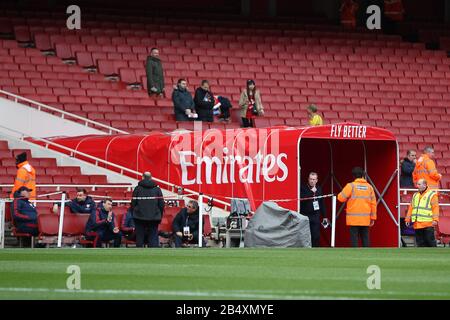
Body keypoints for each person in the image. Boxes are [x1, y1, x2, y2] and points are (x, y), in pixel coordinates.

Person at [337, 167, 377, 247]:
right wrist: (373, 218)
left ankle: (355, 256)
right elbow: (373, 204)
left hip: (353, 219)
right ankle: (367, 256)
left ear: (353, 176)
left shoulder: (350, 186)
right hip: (365, 219)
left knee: (354, 239)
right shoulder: (369, 187)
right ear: (363, 175)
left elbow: (340, 198)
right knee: (365, 239)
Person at [131, 172, 165, 248]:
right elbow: (161, 204)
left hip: (139, 216)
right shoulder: (157, 189)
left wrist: (135, 213)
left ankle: (139, 256)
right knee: (153, 237)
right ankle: (153, 257)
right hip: (154, 217)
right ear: (151, 178)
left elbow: (133, 203)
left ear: (142, 177)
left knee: (139, 237)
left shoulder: (137, 189)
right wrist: (159, 215)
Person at [405, 179, 439, 247]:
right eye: (417, 184)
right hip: (417, 224)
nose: (417, 186)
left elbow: (435, 208)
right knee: (420, 244)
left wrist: (435, 220)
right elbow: (411, 208)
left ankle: (434, 257)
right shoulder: (415, 195)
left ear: (425, 185)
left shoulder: (432, 195)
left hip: (428, 224)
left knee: (430, 243)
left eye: (419, 184)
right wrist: (407, 219)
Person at [300, 172, 329, 247]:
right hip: (305, 215)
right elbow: (302, 198)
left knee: (316, 235)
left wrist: (325, 216)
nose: (312, 181)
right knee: (305, 235)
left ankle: (315, 250)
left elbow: (322, 203)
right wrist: (311, 192)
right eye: (310, 179)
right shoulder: (303, 187)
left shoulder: (319, 189)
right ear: (308, 179)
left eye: (314, 179)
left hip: (315, 215)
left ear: (316, 180)